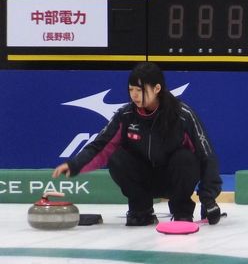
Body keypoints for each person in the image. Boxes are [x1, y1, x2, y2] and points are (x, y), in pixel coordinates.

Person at [52, 62, 223, 226]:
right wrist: (74, 165)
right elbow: (100, 146)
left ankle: (182, 211)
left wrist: (208, 199)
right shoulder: (125, 115)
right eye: (130, 89)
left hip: (173, 180)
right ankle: (141, 210)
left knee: (185, 158)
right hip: (144, 180)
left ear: (157, 89)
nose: (134, 95)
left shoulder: (183, 115)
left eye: (139, 90)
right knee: (117, 157)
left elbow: (206, 155)